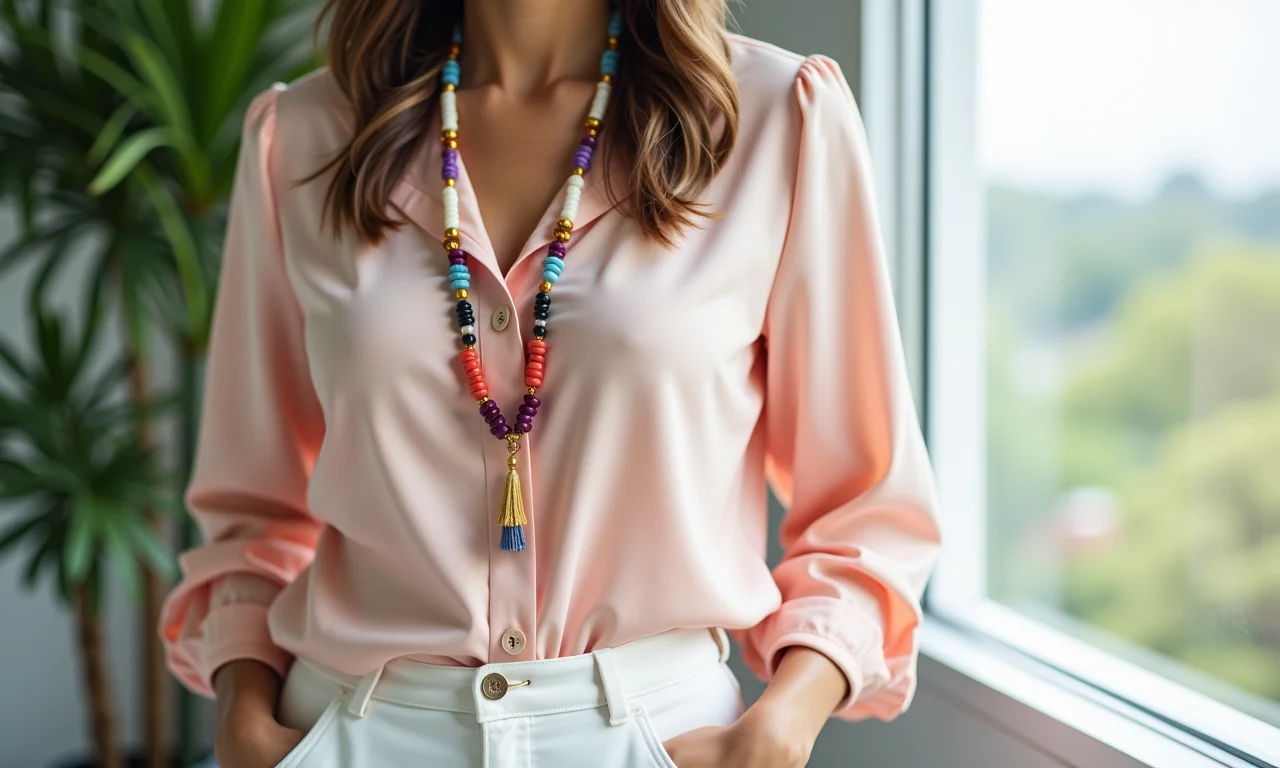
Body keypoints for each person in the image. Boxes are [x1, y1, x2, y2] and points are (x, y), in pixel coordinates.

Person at [159, 1, 942, 766]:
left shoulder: (776, 120)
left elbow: (866, 512)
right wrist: (244, 719)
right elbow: (250, 507)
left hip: (659, 734)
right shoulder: (302, 137)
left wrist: (781, 728)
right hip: (352, 725)